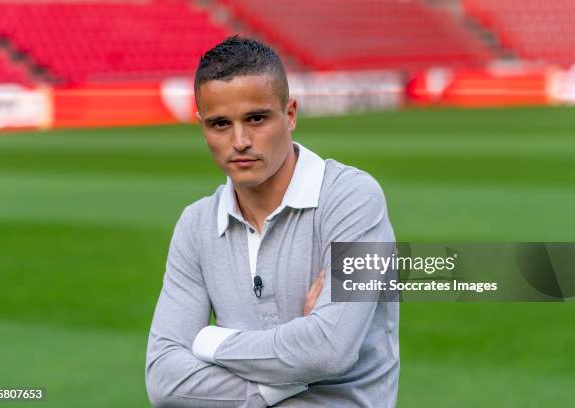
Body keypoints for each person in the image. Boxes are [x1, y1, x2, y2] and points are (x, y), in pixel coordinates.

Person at [145, 35, 399, 407]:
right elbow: (164, 382)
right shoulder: (196, 224)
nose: (240, 140)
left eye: (256, 118)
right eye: (220, 124)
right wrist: (283, 375)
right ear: (201, 125)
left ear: (290, 114)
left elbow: (329, 350)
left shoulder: (352, 199)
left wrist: (208, 343)